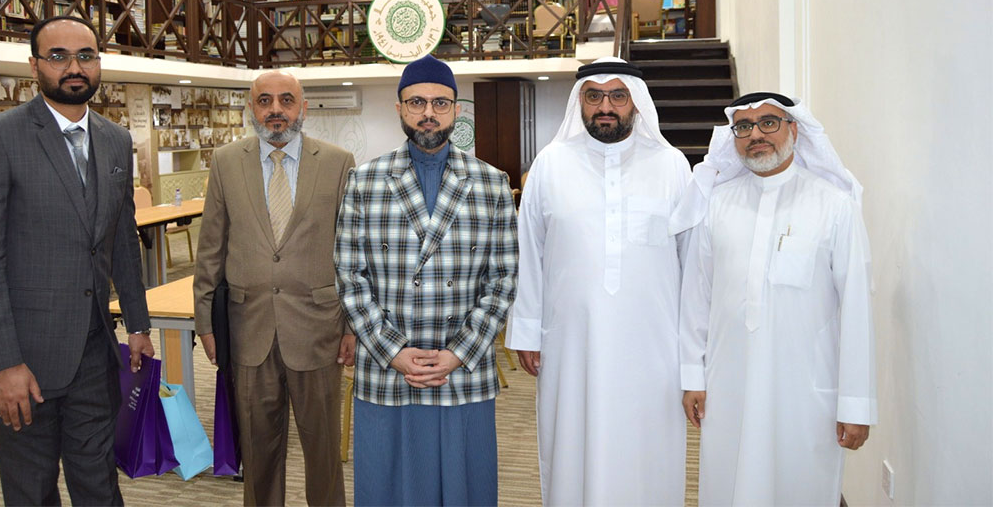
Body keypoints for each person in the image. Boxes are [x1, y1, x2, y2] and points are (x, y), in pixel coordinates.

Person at [0, 15, 153, 505]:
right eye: (58, 56)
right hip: (23, 360)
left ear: (99, 64)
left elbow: (120, 239)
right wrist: (3, 363)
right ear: (35, 66)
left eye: (86, 56)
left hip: (95, 350)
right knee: (32, 491)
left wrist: (137, 324)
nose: (74, 67)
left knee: (99, 486)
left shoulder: (115, 140)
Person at [505, 56, 692, 505]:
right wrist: (527, 330)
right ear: (580, 103)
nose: (605, 106)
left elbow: (693, 266)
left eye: (617, 95)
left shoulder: (672, 166)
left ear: (635, 103)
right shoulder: (549, 164)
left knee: (648, 452)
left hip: (654, 349)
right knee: (572, 445)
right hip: (571, 346)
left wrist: (693, 352)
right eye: (593, 96)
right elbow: (528, 252)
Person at [675, 91, 877, 506]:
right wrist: (692, 378)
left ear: (794, 130)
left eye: (768, 122)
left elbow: (857, 308)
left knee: (800, 486)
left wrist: (856, 404)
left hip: (804, 390)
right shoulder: (717, 203)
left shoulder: (834, 204)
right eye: (744, 127)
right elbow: (697, 297)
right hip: (729, 384)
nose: (756, 135)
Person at [334, 54, 518, 506]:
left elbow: (504, 278)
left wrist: (460, 353)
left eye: (440, 102)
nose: (428, 112)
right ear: (399, 108)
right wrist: (392, 351)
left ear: (457, 110)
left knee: (464, 487)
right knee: (387, 486)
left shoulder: (491, 183)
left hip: (462, 367)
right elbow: (349, 276)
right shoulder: (365, 180)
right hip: (388, 366)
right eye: (416, 102)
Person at [193, 70, 356, 506]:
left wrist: (352, 326)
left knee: (323, 452)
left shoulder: (339, 162)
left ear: (303, 107)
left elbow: (352, 250)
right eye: (265, 101)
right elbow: (211, 246)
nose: (276, 110)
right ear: (252, 108)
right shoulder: (227, 161)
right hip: (250, 329)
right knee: (259, 454)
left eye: (286, 100)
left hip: (319, 329)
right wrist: (205, 321)